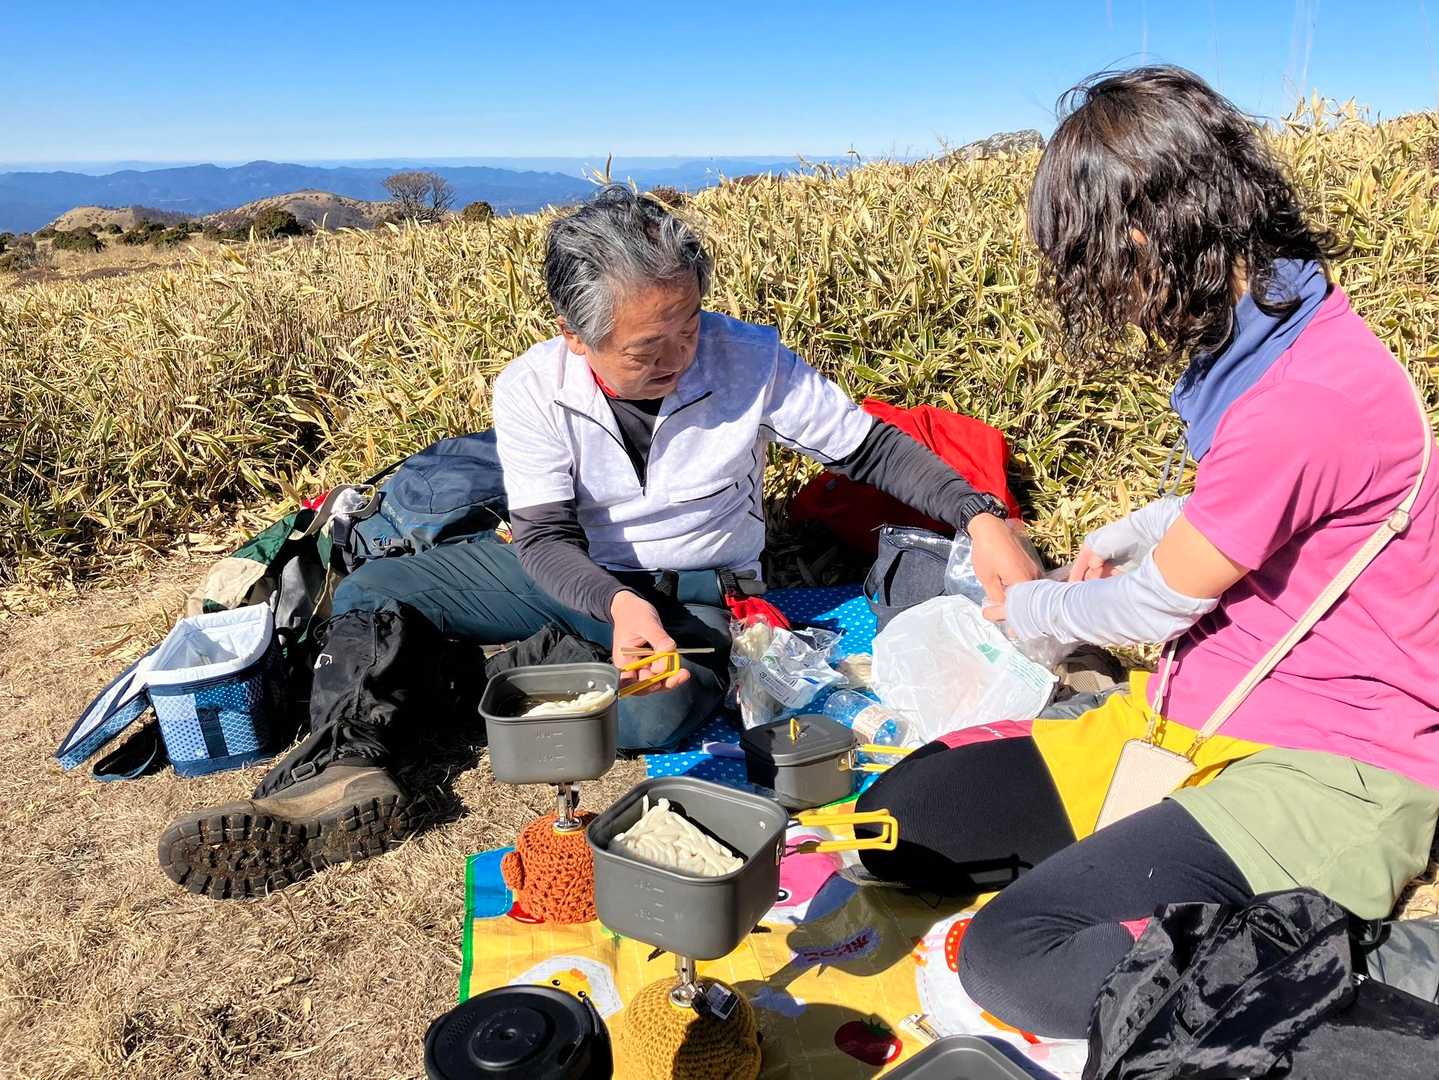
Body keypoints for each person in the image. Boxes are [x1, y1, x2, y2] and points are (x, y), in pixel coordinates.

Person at [156, 184, 1039, 897]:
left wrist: (981, 517)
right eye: (650, 348)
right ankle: (344, 766)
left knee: (659, 713)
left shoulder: (749, 357)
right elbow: (541, 537)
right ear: (573, 336)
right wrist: (615, 603)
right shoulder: (532, 389)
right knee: (372, 591)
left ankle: (489, 678)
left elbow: (871, 447)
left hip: (695, 586)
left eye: (690, 324)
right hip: (575, 574)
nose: (682, 355)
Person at [856, 66, 1439, 1038]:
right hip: (1200, 710)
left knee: (1014, 957)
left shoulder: (1300, 394)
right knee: (904, 825)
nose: (1107, 298)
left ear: (1144, 235)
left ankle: (1380, 974)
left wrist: (1031, 608)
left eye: (1094, 263)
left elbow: (1150, 606)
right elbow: (1268, 503)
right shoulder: (1275, 329)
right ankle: (1165, 892)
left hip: (1325, 765)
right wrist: (1139, 526)